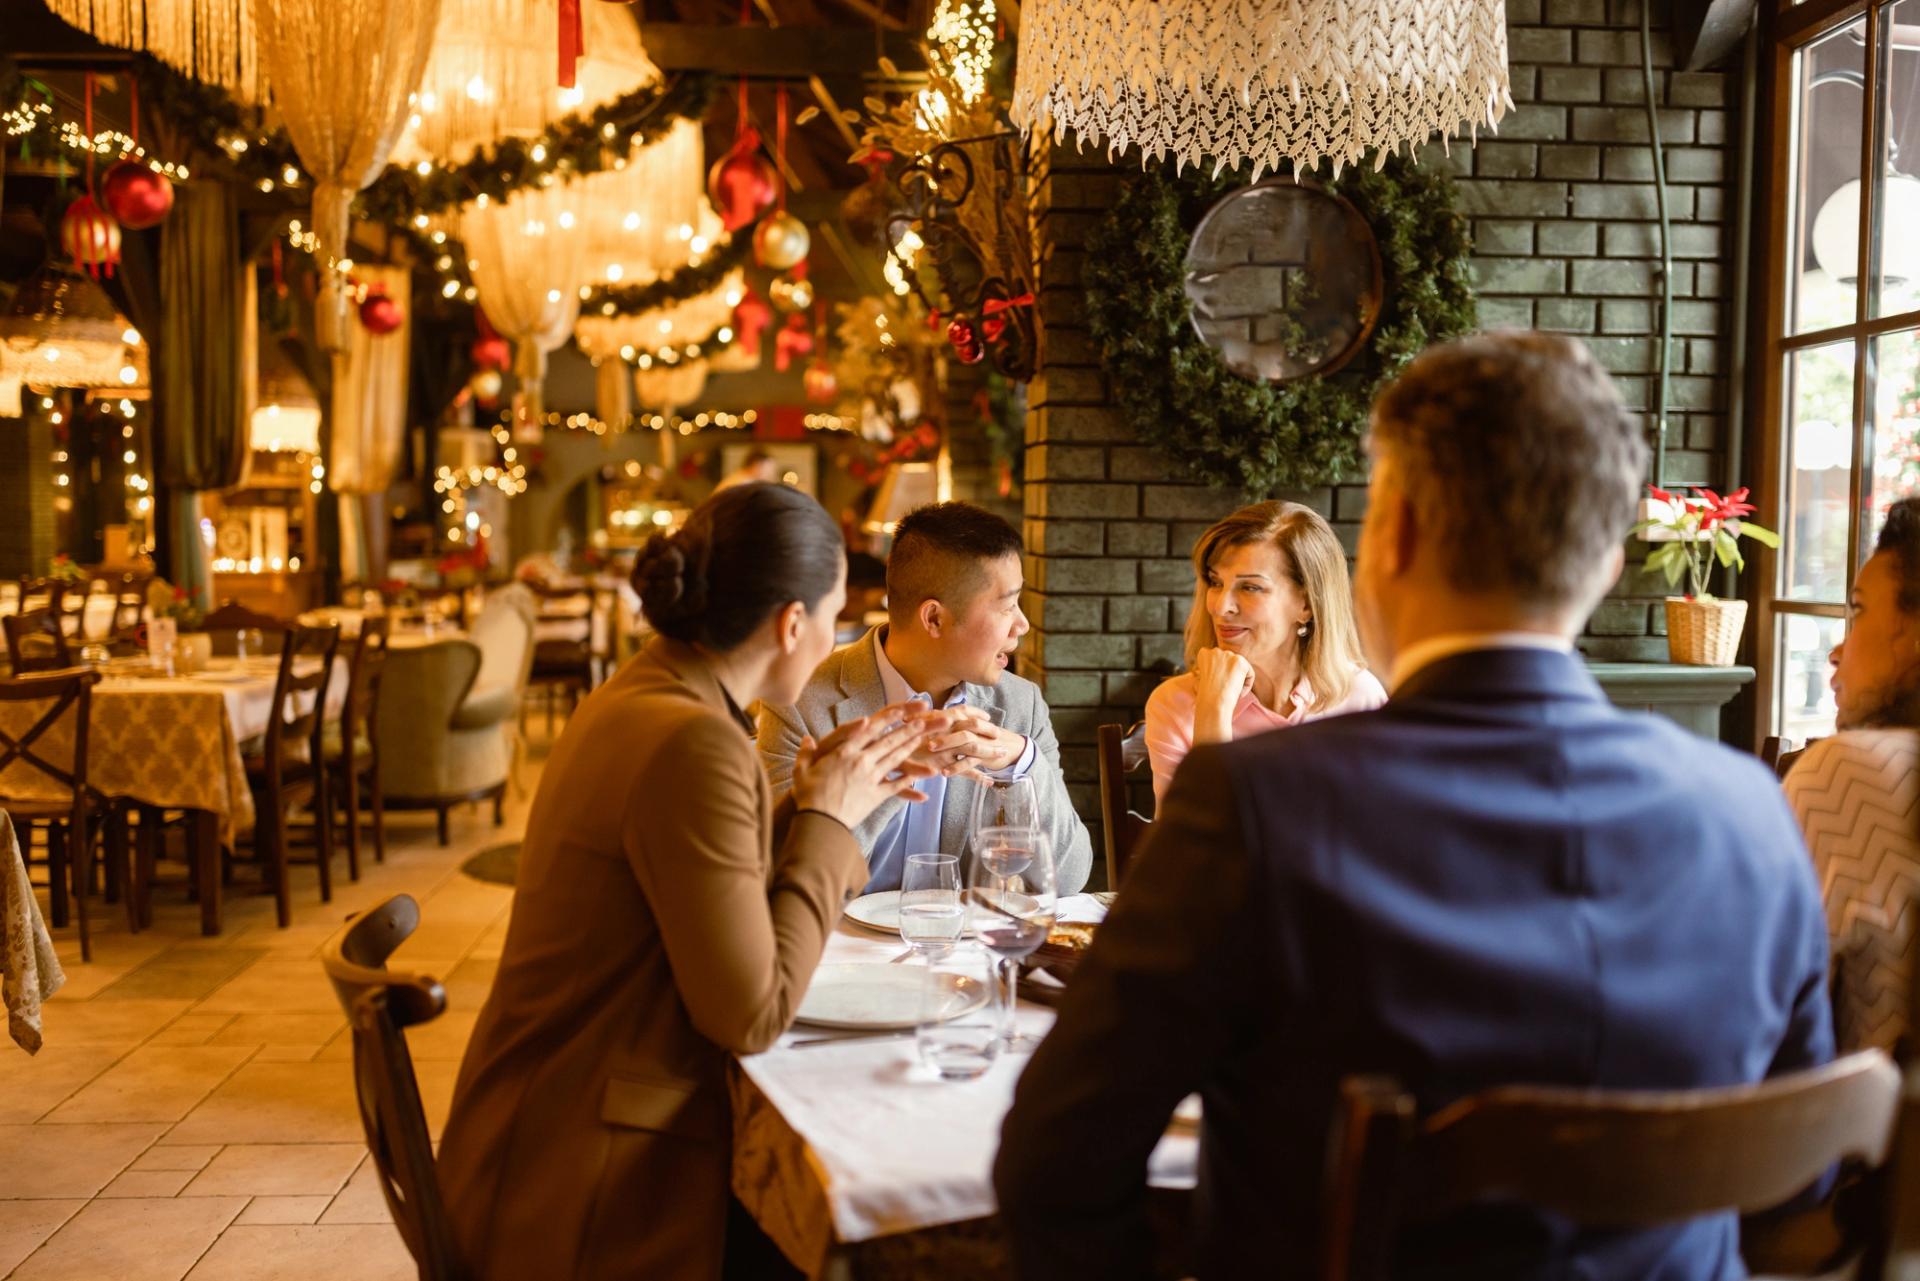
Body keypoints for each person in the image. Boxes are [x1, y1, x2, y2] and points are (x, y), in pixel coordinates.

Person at [993, 331, 1833, 1280]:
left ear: (1387, 543)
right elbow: (1799, 1183)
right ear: (1603, 567)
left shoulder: (1259, 805)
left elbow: (1055, 1164)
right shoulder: (1753, 813)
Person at [438, 483, 946, 1281]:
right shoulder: (694, 743)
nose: (836, 638)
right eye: (836, 616)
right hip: (586, 1180)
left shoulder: (649, 694)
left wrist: (813, 803)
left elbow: (690, 880)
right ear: (789, 624)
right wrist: (829, 823)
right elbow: (752, 1012)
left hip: (537, 1124)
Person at [759, 501, 1094, 895]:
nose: (1022, 624)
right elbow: (777, 876)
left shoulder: (1022, 706)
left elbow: (1070, 878)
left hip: (964, 948)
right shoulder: (802, 702)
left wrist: (1023, 764)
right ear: (934, 618)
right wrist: (890, 769)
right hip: (838, 949)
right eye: (1007, 605)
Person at [1784, 496, 1920, 1056]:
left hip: (1860, 1140)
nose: (1837, 650)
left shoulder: (1850, 773)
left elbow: (1753, 1006)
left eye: (1859, 609)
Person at [1144, 500, 1385, 802]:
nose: (1220, 606)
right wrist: (1213, 710)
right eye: (1215, 582)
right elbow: (1191, 843)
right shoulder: (1174, 704)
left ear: (1307, 605)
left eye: (1250, 587)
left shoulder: (1362, 699)